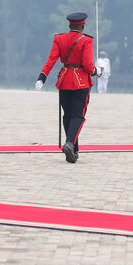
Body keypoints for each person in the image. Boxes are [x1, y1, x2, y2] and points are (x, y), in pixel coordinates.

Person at [35, 12, 99, 163]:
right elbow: (88, 65)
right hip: (81, 81)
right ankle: (70, 144)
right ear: (82, 26)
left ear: (70, 25)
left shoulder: (59, 38)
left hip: (64, 80)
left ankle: (73, 150)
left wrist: (42, 78)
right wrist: (97, 72)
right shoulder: (87, 41)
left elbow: (51, 59)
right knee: (78, 115)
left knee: (68, 115)